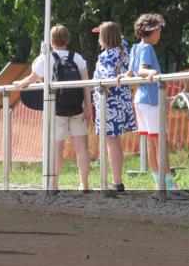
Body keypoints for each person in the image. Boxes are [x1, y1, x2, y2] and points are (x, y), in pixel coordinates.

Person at [12, 25, 93, 191]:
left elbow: (31, 79)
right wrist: (88, 106)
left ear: (51, 41)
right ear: (67, 39)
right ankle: (84, 184)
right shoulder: (77, 58)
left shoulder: (46, 58)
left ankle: (54, 184)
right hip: (78, 107)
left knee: (57, 147)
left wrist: (19, 84)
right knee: (82, 147)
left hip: (56, 109)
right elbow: (86, 84)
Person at [127, 13, 189, 199]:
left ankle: (160, 185)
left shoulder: (135, 48)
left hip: (140, 99)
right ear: (153, 31)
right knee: (160, 143)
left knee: (152, 143)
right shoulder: (147, 48)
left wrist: (124, 76)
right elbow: (141, 70)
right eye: (159, 31)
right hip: (151, 100)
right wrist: (152, 71)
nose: (160, 34)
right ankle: (170, 186)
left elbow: (130, 72)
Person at [91, 22, 137, 192]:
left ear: (104, 38)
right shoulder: (125, 52)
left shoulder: (105, 56)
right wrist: (108, 29)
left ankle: (116, 181)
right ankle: (117, 180)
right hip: (123, 101)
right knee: (116, 141)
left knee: (112, 141)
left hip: (110, 103)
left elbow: (108, 77)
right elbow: (122, 40)